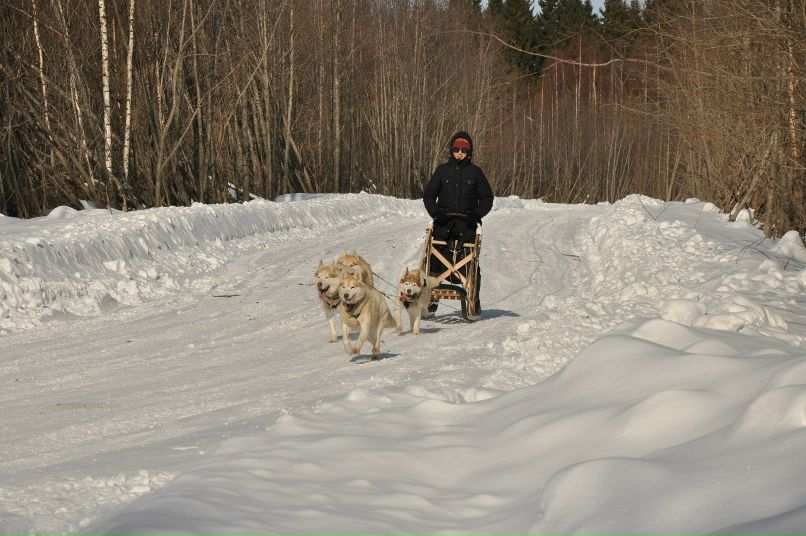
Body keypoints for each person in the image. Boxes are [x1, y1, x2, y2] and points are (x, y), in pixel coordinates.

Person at [423, 131, 493, 316]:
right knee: (435, 259)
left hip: (466, 226)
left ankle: (473, 299)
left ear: (469, 152)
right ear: (451, 150)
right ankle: (431, 298)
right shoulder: (442, 170)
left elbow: (487, 198)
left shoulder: (476, 173)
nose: (459, 153)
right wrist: (436, 213)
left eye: (463, 150)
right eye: (456, 149)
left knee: (470, 261)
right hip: (444, 224)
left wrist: (476, 214)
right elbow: (429, 195)